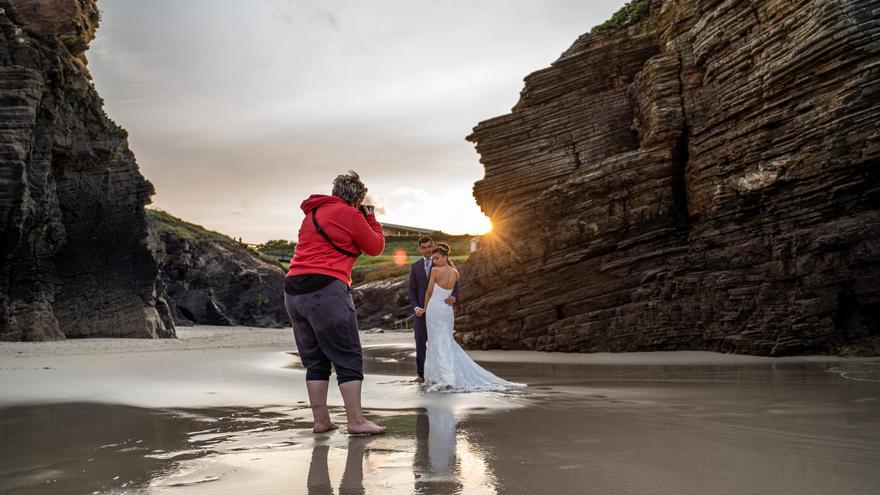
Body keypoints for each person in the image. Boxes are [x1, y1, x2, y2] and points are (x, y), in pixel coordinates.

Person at [283, 170, 385, 434]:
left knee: (314, 360)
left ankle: (321, 421)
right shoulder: (350, 214)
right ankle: (356, 421)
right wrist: (370, 217)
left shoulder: (311, 215)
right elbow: (375, 247)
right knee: (347, 354)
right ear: (357, 198)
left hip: (293, 289)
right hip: (326, 289)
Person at [423, 243, 525, 392]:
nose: (434, 261)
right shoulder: (455, 272)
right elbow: (453, 291)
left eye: (437, 258)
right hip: (447, 311)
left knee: (437, 341)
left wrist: (425, 308)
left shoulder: (435, 271)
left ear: (445, 257)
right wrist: (453, 297)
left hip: (435, 309)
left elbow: (429, 292)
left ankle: (447, 378)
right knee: (444, 340)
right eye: (433, 259)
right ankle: (440, 376)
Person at [408, 236, 458, 382]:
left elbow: (456, 285)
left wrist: (454, 296)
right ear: (419, 249)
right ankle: (421, 375)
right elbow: (412, 290)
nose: (427, 250)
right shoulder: (415, 266)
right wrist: (416, 307)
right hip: (421, 313)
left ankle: (443, 374)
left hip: (439, 310)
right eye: (424, 247)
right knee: (420, 342)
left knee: (441, 342)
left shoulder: (443, 263)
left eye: (429, 246)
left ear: (433, 246)